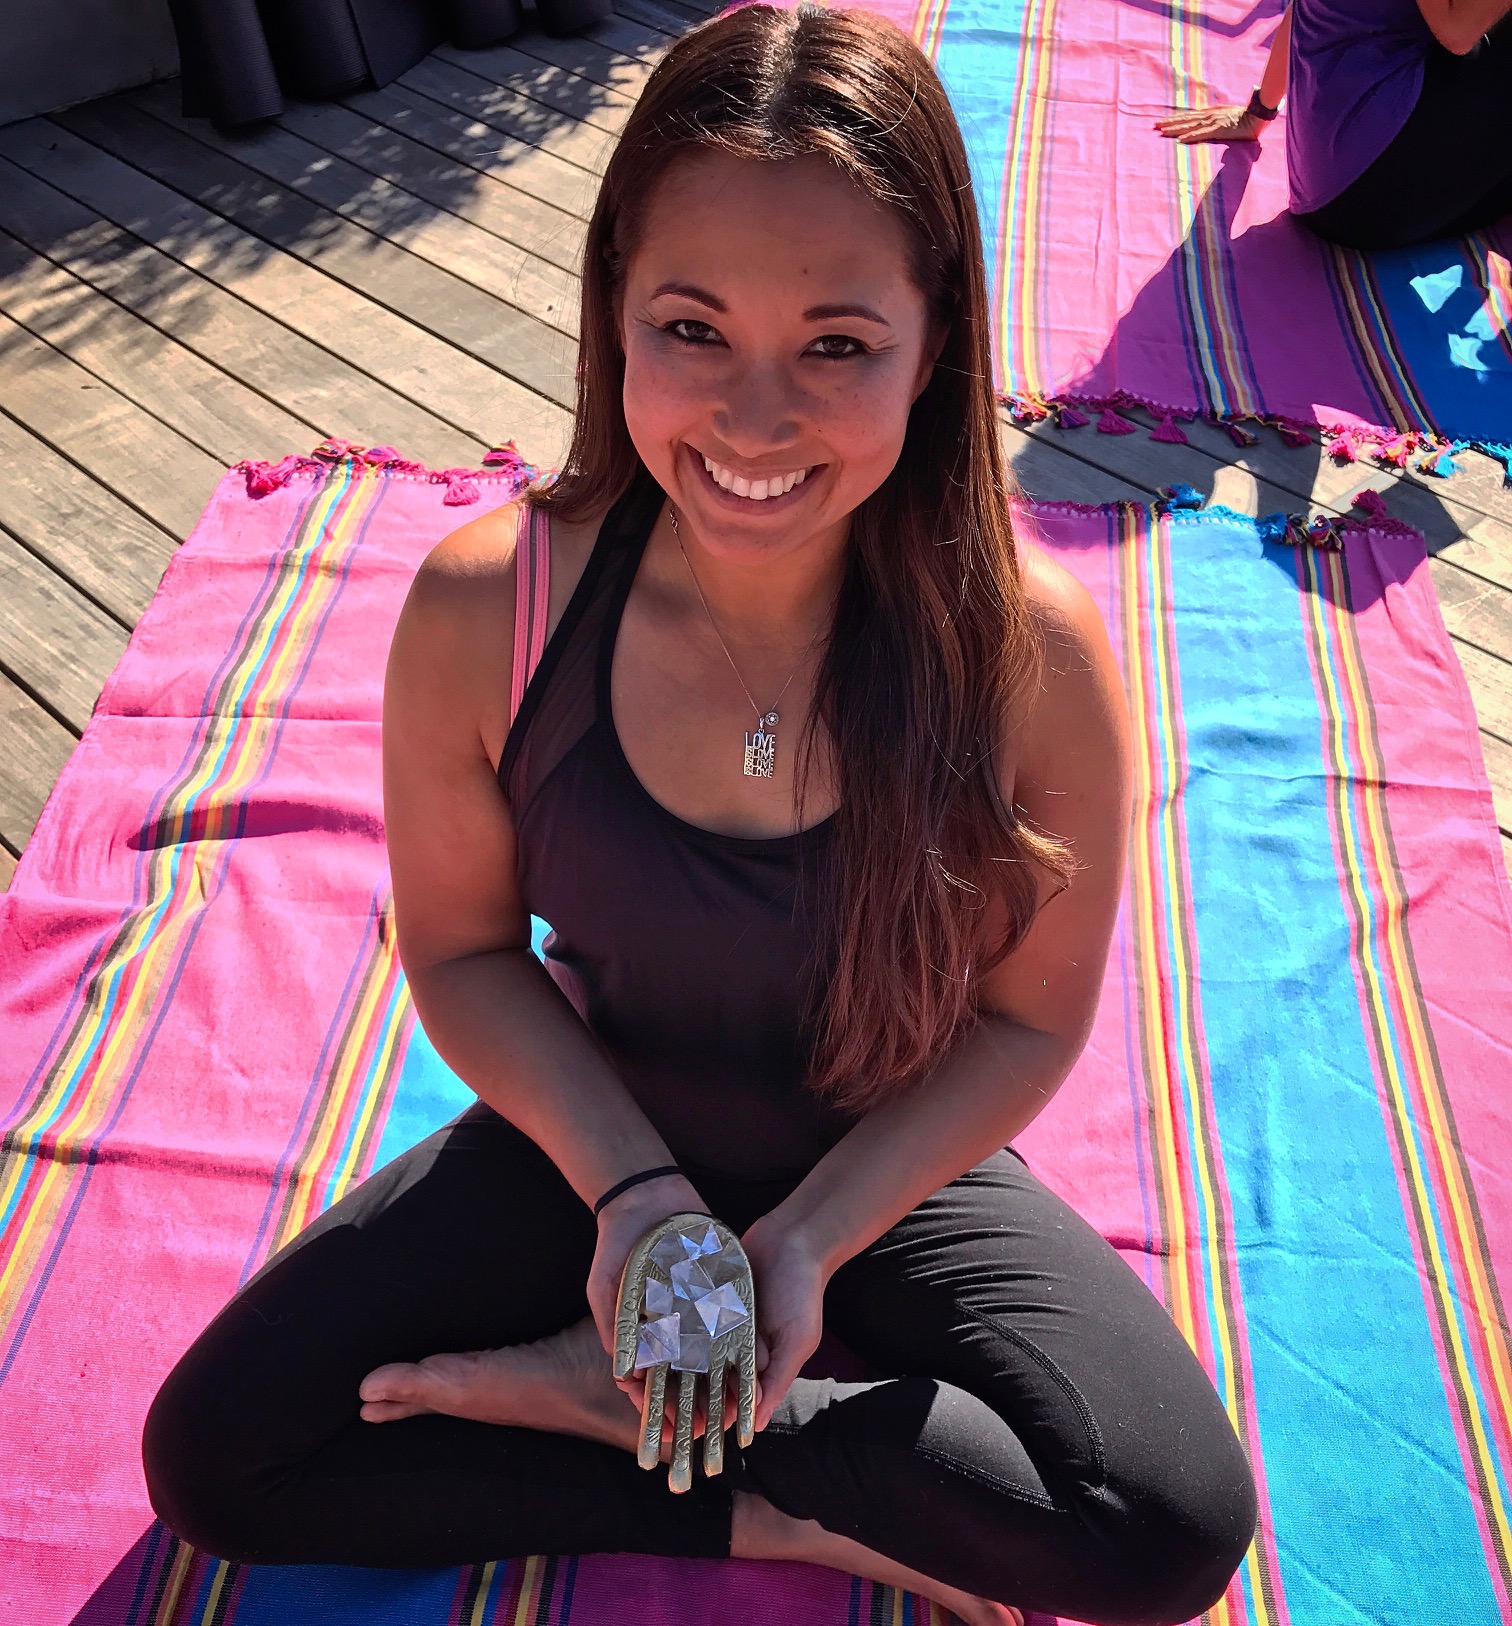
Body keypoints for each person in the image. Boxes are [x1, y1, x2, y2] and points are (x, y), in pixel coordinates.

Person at [140, 8, 1258, 1624]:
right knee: (218, 1458)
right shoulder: (492, 609)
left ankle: (633, 1419)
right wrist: (632, 1193)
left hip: (882, 1165)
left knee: (1164, 1523)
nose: (752, 420)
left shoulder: (1029, 657)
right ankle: (769, 1504)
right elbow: (462, 953)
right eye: (691, 329)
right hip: (594, 1130)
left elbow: (1024, 1026)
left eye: (836, 345)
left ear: (936, 340)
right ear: (612, 313)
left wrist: (807, 1242)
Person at [1156, 0, 1512, 249]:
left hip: (1329, 190)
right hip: (1373, 195)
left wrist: (1260, 111)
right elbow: (1457, 33)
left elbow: (1305, 11)